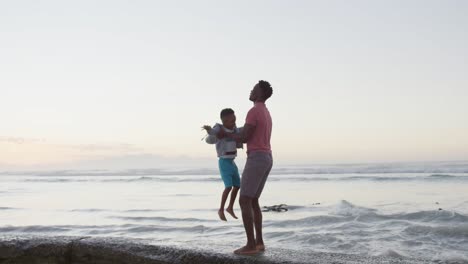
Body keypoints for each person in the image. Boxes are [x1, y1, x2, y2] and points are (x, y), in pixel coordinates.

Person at [220, 80, 273, 255]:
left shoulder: (253, 111)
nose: (251, 91)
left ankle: (251, 245)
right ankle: (259, 243)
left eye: (254, 89)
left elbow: (244, 136)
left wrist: (225, 135)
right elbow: (248, 135)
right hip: (266, 157)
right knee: (254, 201)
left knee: (244, 200)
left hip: (257, 158)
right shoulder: (265, 111)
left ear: (259, 94)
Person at [202, 108, 243, 221]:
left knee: (238, 186)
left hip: (232, 161)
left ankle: (230, 207)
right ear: (224, 121)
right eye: (231, 121)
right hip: (224, 162)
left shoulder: (235, 129)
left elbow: (243, 132)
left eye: (234, 120)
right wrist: (208, 130)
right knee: (228, 186)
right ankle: (221, 209)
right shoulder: (219, 128)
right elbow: (213, 133)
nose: (233, 123)